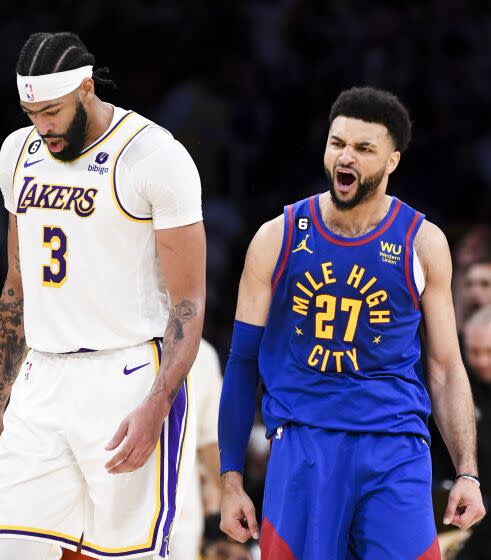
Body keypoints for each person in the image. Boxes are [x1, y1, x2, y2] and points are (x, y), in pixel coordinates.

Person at [218, 86, 485, 559]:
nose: (347, 156)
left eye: (364, 149)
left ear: (392, 162)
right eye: (338, 143)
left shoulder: (423, 243)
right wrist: (231, 478)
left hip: (395, 447)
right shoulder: (275, 237)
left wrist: (467, 471)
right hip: (303, 444)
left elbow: (445, 366)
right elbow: (242, 362)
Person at [0, 32, 205, 560]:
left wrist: (159, 402)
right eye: (30, 112)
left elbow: (188, 303)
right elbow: (17, 283)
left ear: (86, 88)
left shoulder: (155, 156)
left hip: (125, 376)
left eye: (51, 110)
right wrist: (3, 388)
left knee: (121, 555)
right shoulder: (17, 153)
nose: (41, 126)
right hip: (40, 378)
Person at [171, 338, 222, 560]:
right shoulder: (201, 351)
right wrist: (219, 494)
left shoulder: (202, 353)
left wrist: (218, 493)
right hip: (180, 507)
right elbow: (212, 440)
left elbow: (212, 439)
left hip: (182, 506)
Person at [454, 306, 491, 559]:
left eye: (489, 352)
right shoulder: (461, 387)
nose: (481, 360)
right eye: (473, 352)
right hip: (463, 501)